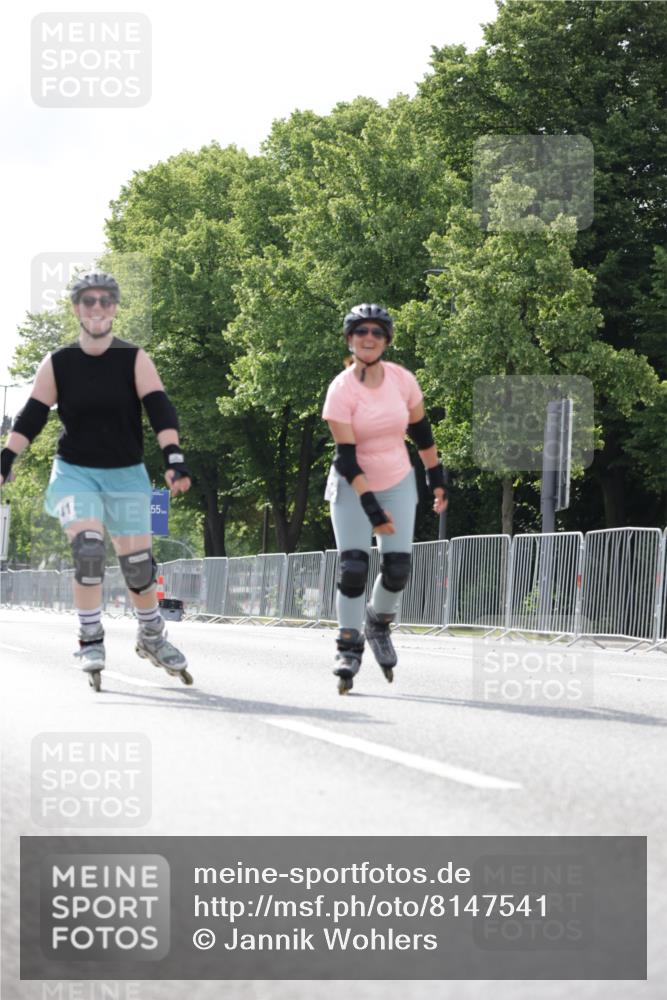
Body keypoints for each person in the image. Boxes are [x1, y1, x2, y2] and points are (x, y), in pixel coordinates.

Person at [0, 271, 193, 691]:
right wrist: (7, 456)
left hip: (125, 473)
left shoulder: (133, 358)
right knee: (88, 552)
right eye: (89, 301)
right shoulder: (59, 361)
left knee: (139, 568)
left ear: (116, 308)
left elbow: (160, 408)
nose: (98, 308)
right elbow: (32, 414)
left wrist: (174, 459)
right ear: (76, 309)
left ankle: (152, 635)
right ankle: (90, 637)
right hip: (75, 473)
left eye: (107, 301)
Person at [322, 303, 447, 694]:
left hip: (397, 481)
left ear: (387, 339)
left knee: (397, 570)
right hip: (351, 484)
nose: (369, 338)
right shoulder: (341, 390)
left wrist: (436, 477)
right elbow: (346, 457)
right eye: (361, 332)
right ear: (350, 339)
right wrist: (372, 510)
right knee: (354, 567)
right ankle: (347, 646)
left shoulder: (402, 380)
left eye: (377, 332)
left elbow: (422, 433)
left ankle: (377, 623)